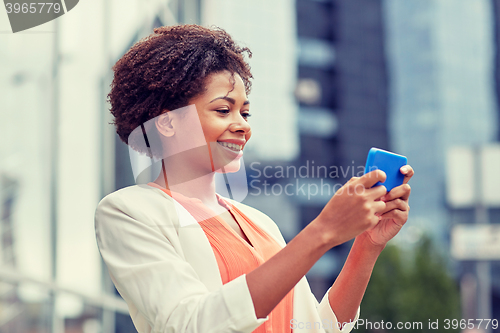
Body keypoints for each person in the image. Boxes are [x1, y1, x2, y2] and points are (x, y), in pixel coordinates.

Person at [94, 24, 414, 333]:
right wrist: (324, 230)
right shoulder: (128, 213)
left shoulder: (260, 223)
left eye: (244, 113)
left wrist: (366, 245)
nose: (243, 126)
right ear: (166, 123)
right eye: (223, 111)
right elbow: (193, 325)